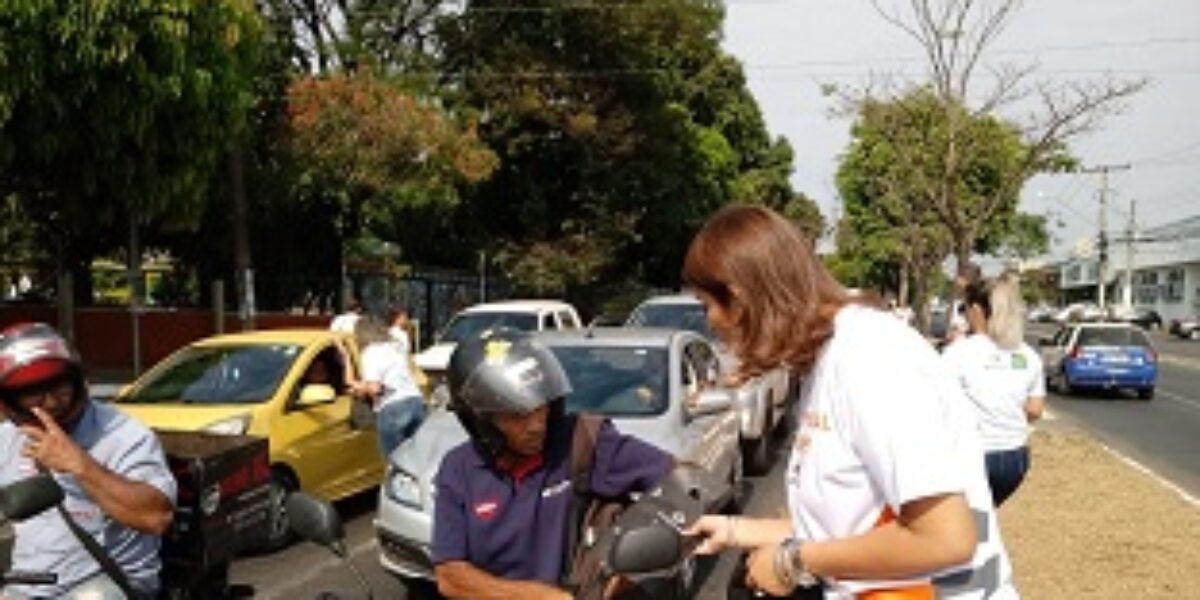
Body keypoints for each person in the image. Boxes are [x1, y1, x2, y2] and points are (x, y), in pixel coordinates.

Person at [680, 205, 1016, 599]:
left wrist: (792, 561)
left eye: (707, 305)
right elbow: (851, 524)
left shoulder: (870, 358)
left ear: (738, 298)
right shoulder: (826, 357)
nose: (710, 324)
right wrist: (737, 531)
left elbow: (946, 538)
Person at [431, 330, 673, 600]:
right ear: (482, 420)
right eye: (518, 416)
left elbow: (681, 482)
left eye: (542, 408)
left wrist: (624, 561)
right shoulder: (458, 470)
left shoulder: (583, 442)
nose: (537, 426)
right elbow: (450, 576)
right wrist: (540, 597)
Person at [0, 323, 176, 599]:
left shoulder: (123, 434)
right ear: (10, 400)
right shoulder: (8, 439)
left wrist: (80, 464)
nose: (49, 402)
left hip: (109, 585)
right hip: (28, 586)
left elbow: (157, 517)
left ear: (77, 381)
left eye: (58, 386)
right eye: (32, 391)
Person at [942, 273, 1046, 506]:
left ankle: (983, 539)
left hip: (973, 454)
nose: (965, 315)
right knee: (984, 514)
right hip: (1015, 458)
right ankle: (985, 537)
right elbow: (1035, 410)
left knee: (974, 522)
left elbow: (938, 405)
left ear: (977, 310)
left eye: (965, 309)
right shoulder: (1028, 355)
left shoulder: (958, 353)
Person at [348, 316, 426, 458]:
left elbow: (375, 389)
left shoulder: (370, 352)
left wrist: (358, 387)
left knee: (395, 463)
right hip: (415, 402)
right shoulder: (395, 347)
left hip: (393, 408)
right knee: (417, 460)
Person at [946, 263, 982, 346]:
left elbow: (978, 329)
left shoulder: (977, 302)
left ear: (965, 280)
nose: (955, 280)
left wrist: (962, 330)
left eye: (957, 277)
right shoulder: (960, 301)